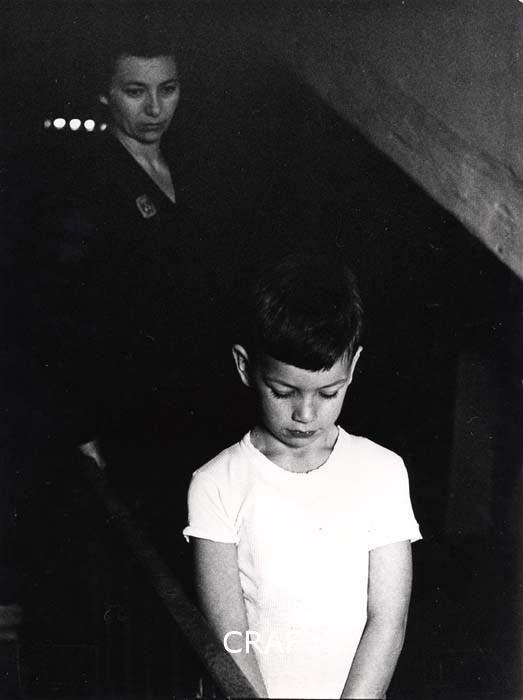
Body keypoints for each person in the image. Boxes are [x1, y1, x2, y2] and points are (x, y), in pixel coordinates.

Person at [183, 252, 422, 699]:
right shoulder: (216, 484)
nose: (306, 414)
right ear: (245, 367)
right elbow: (229, 635)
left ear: (353, 368)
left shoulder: (383, 472)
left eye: (329, 393)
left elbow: (388, 620)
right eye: (283, 391)